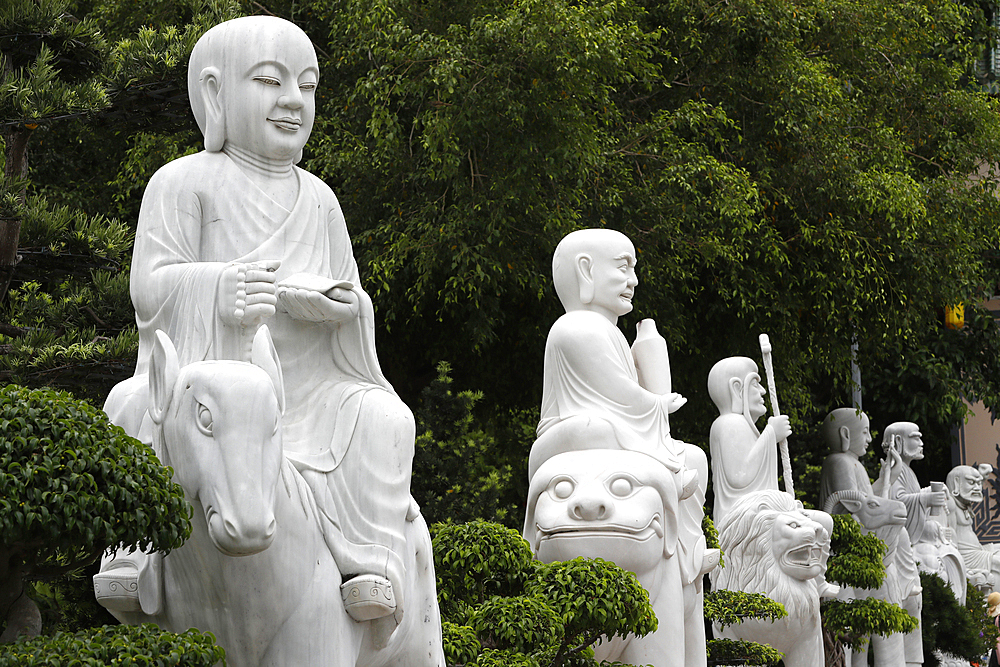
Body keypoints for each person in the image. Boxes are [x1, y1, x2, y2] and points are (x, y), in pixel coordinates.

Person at [96, 16, 413, 624]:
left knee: (385, 417)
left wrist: (340, 306)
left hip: (308, 385)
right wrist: (220, 286)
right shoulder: (182, 182)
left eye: (308, 85)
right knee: (130, 402)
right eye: (270, 81)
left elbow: (351, 292)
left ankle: (367, 564)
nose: (293, 100)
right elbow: (149, 289)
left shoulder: (320, 199)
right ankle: (130, 554)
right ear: (214, 93)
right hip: (209, 378)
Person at [526, 228, 714, 667]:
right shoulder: (576, 328)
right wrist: (657, 403)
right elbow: (626, 404)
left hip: (617, 435)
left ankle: (685, 554)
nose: (633, 279)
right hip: (569, 438)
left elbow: (633, 402)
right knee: (596, 426)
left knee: (694, 457)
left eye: (634, 269)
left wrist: (649, 372)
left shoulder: (610, 333)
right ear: (586, 271)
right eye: (623, 267)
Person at [706, 356, 790, 526]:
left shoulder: (737, 424)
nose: (763, 391)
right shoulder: (731, 423)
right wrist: (771, 433)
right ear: (737, 389)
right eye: (755, 383)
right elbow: (739, 476)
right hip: (742, 522)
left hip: (752, 516)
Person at [946, 464, 1000, 594]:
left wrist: (981, 475)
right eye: (971, 483)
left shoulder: (963, 504)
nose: (977, 488)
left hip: (977, 550)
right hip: (967, 555)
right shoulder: (950, 504)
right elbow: (950, 539)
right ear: (956, 483)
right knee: (998, 561)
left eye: (978, 483)